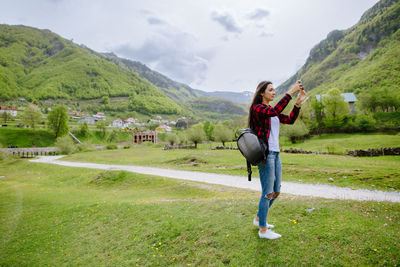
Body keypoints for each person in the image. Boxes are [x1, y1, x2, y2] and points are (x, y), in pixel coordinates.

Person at [248, 80, 306, 239]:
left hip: (276, 153)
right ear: (262, 93)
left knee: (276, 191)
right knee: (267, 192)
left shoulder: (271, 111)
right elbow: (274, 111)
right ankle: (263, 230)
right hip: (266, 155)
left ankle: (260, 218)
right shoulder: (257, 108)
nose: (274, 92)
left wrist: (298, 104)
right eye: (271, 90)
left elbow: (290, 119)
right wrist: (290, 92)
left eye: (275, 90)